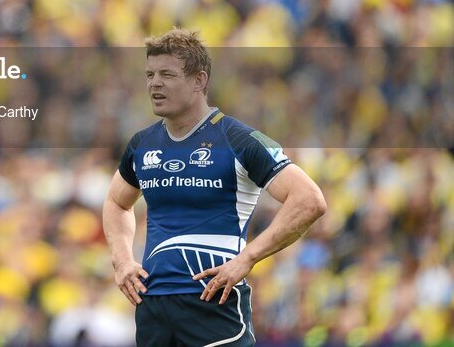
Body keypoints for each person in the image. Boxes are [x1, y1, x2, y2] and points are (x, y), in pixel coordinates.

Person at [102, 29, 327, 346]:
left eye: (167, 74)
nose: (155, 83)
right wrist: (122, 260)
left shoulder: (239, 140)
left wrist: (247, 258)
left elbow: (309, 200)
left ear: (199, 80)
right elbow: (116, 202)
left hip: (213, 302)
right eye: (150, 74)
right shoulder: (142, 144)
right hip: (152, 306)